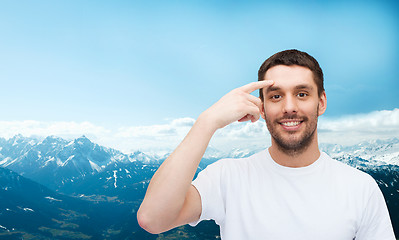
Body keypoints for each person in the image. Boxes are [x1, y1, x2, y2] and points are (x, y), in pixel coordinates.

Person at [137, 49, 396, 239]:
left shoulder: (360, 187)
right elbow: (153, 218)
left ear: (322, 102)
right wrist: (207, 121)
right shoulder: (228, 177)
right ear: (261, 107)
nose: (290, 107)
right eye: (276, 96)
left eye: (302, 94)